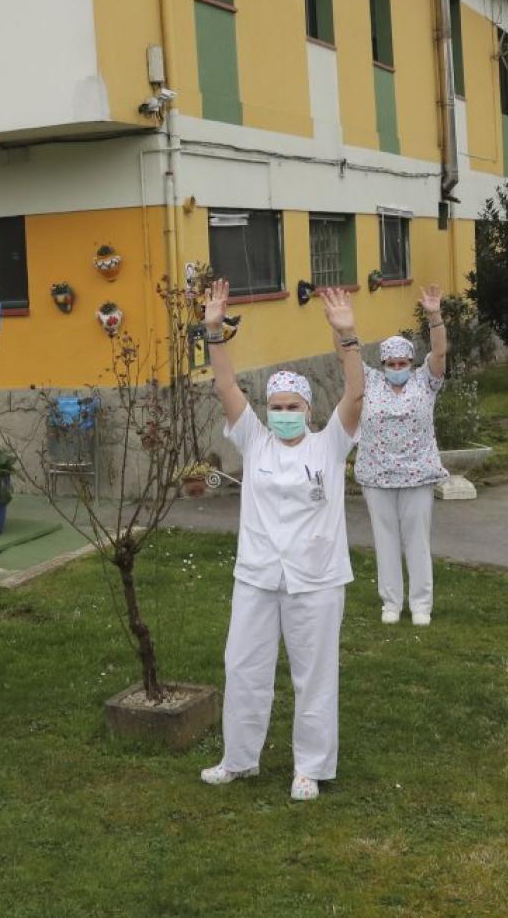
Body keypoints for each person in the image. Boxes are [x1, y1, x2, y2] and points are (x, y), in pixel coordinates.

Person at [198, 280, 363, 800]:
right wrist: (213, 330)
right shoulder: (255, 439)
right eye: (277, 404)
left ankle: (309, 768)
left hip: (315, 581)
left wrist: (347, 337)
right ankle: (239, 759)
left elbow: (356, 393)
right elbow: (226, 386)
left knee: (313, 677)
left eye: (293, 404)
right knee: (243, 668)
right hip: (258, 575)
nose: (284, 412)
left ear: (309, 410)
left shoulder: (329, 444)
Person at [353, 286, 448, 626]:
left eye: (402, 362)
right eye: (391, 363)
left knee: (417, 540)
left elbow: (439, 354)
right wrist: (342, 328)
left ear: (411, 362)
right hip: (376, 475)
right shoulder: (371, 382)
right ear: (383, 363)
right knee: (385, 539)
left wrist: (434, 316)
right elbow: (345, 358)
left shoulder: (425, 381)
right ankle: (391, 602)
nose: (397, 367)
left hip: (417, 474)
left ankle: (421, 604)